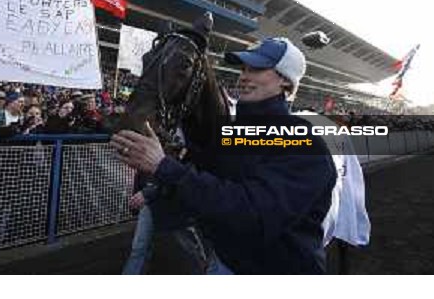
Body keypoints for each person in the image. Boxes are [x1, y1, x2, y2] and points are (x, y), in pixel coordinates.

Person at [112, 37, 337, 274]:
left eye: (257, 69)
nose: (244, 76)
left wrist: (164, 167)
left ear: (286, 83)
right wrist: (156, 183)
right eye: (243, 69)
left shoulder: (305, 143)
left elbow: (252, 214)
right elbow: (200, 190)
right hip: (224, 264)